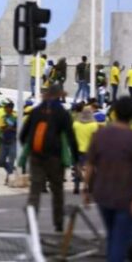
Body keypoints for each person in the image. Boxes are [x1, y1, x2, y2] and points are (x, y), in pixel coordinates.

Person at [83, 97, 132, 262]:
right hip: (126, 195)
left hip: (102, 193)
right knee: (120, 239)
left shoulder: (100, 134)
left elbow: (90, 165)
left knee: (113, 235)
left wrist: (86, 189)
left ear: (115, 112)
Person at [20, 84, 78, 232]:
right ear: (59, 95)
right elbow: (71, 137)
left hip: (36, 156)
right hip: (55, 157)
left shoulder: (36, 111)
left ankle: (31, 225)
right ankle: (58, 224)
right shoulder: (62, 113)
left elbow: (23, 135)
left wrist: (30, 150)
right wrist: (75, 160)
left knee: (35, 191)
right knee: (57, 191)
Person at [71, 108, 98, 194]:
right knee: (90, 169)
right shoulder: (94, 124)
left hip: (77, 149)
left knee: (77, 168)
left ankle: (76, 187)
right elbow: (95, 138)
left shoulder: (75, 124)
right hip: (89, 150)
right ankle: (90, 187)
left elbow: (72, 136)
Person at [0, 101, 17, 185]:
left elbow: (19, 128)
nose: (4, 109)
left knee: (11, 161)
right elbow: (1, 128)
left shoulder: (16, 117)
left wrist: (10, 128)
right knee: (1, 161)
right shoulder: (3, 117)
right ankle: (11, 171)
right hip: (4, 142)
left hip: (13, 141)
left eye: (6, 107)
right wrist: (8, 128)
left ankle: (9, 177)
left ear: (10, 109)